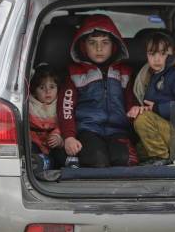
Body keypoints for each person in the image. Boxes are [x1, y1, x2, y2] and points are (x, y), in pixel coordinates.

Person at [58, 15, 138, 168]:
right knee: (97, 161)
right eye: (92, 43)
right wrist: (69, 137)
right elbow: (65, 108)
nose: (99, 48)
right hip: (88, 130)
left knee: (123, 160)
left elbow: (132, 103)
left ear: (114, 45)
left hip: (119, 131)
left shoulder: (125, 73)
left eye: (105, 43)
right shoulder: (75, 74)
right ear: (83, 45)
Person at [128, 32, 175, 166]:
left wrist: (155, 108)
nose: (156, 59)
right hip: (166, 131)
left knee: (143, 119)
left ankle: (161, 157)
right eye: (152, 54)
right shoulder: (155, 74)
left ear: (173, 52)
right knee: (136, 152)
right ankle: (170, 156)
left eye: (162, 53)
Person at [29, 63, 68, 169]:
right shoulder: (29, 105)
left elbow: (64, 123)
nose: (48, 91)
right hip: (35, 143)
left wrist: (58, 138)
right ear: (34, 91)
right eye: (42, 87)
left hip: (54, 143)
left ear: (58, 88)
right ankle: (42, 162)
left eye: (52, 87)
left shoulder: (62, 104)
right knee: (30, 151)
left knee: (61, 156)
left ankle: (48, 163)